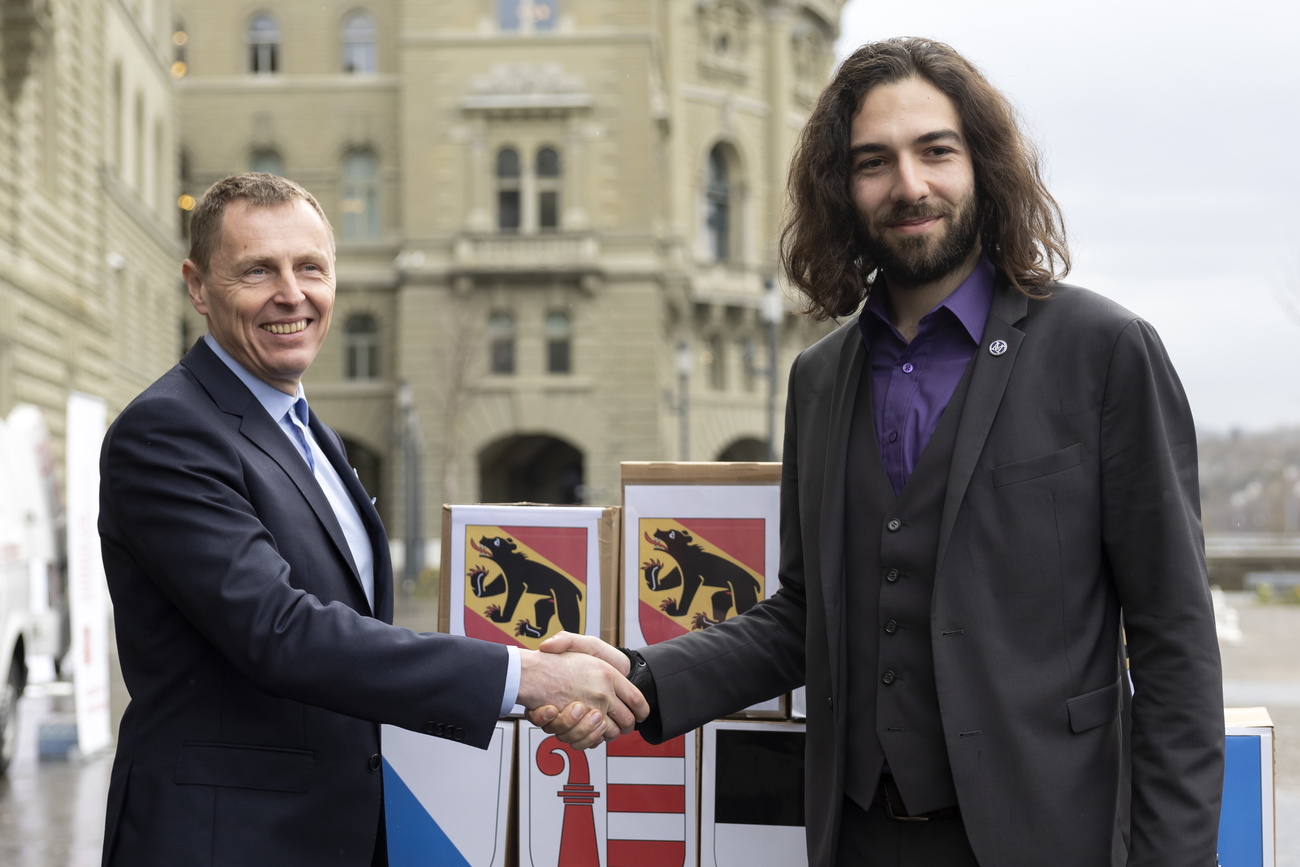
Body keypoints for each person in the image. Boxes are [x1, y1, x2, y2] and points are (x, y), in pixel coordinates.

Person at [531, 37, 1224, 867]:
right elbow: (801, 619)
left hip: (1050, 836)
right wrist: (638, 679)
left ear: (983, 165)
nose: (910, 185)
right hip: (857, 838)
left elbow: (1174, 640)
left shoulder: (1104, 351)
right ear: (841, 188)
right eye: (874, 162)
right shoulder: (820, 377)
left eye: (936, 151)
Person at [98, 173, 646, 866]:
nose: (291, 293)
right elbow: (280, 630)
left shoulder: (305, 430)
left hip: (327, 832)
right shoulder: (168, 430)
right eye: (257, 270)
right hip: (224, 839)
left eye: (310, 268)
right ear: (198, 286)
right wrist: (526, 675)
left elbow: (351, 631)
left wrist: (522, 681)